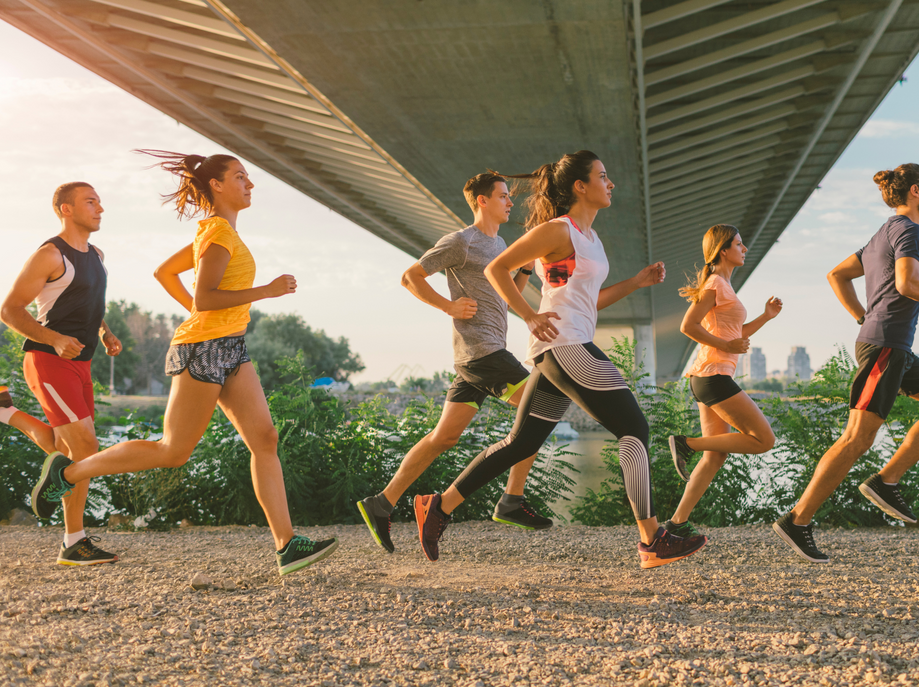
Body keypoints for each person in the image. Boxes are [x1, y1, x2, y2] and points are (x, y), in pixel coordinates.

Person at [30, 151, 338, 575]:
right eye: (241, 177)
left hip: (231, 346)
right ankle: (68, 474)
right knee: (173, 450)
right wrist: (263, 291)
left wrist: (202, 314)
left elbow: (164, 273)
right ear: (217, 185)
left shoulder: (218, 233)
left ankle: (287, 546)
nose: (250, 185)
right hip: (203, 350)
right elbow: (205, 297)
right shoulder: (216, 235)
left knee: (264, 438)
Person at [413, 150, 707, 568]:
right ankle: (651, 539)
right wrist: (530, 315)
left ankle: (438, 506)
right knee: (633, 426)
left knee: (522, 442)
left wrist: (637, 282)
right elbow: (498, 268)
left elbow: (591, 300)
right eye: (603, 177)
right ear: (579, 187)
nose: (611, 183)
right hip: (565, 344)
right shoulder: (558, 230)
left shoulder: (591, 239)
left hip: (566, 343)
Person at [772, 163, 919, 563]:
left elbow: (837, 275)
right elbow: (907, 283)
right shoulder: (910, 231)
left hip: (892, 346)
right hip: (884, 347)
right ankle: (797, 520)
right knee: (856, 439)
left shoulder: (885, 231)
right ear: (916, 192)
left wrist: (861, 316)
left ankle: (886, 481)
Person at [356, 173, 553, 552]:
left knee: (444, 437)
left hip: (477, 356)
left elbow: (508, 290)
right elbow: (410, 276)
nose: (510, 202)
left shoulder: (499, 243)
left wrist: (526, 267)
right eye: (503, 196)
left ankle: (381, 503)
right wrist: (447, 306)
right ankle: (511, 499)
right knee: (542, 408)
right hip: (482, 352)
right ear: (482, 201)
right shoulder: (461, 242)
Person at [1, 182, 122, 566]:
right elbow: (11, 310)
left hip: (81, 363)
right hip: (48, 360)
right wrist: (53, 339)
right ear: (65, 209)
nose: (100, 208)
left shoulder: (97, 255)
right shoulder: (50, 254)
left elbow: (90, 300)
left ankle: (5, 413)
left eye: (100, 201)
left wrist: (105, 331)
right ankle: (74, 541)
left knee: (66, 446)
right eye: (91, 202)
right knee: (85, 448)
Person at [666, 224, 782, 538]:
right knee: (764, 440)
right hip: (713, 376)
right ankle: (685, 443)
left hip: (708, 377)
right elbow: (687, 326)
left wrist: (766, 316)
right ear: (723, 250)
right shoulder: (716, 283)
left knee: (715, 456)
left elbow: (737, 335)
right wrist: (725, 346)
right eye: (740, 244)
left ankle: (677, 524)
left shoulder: (723, 286)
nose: (745, 249)